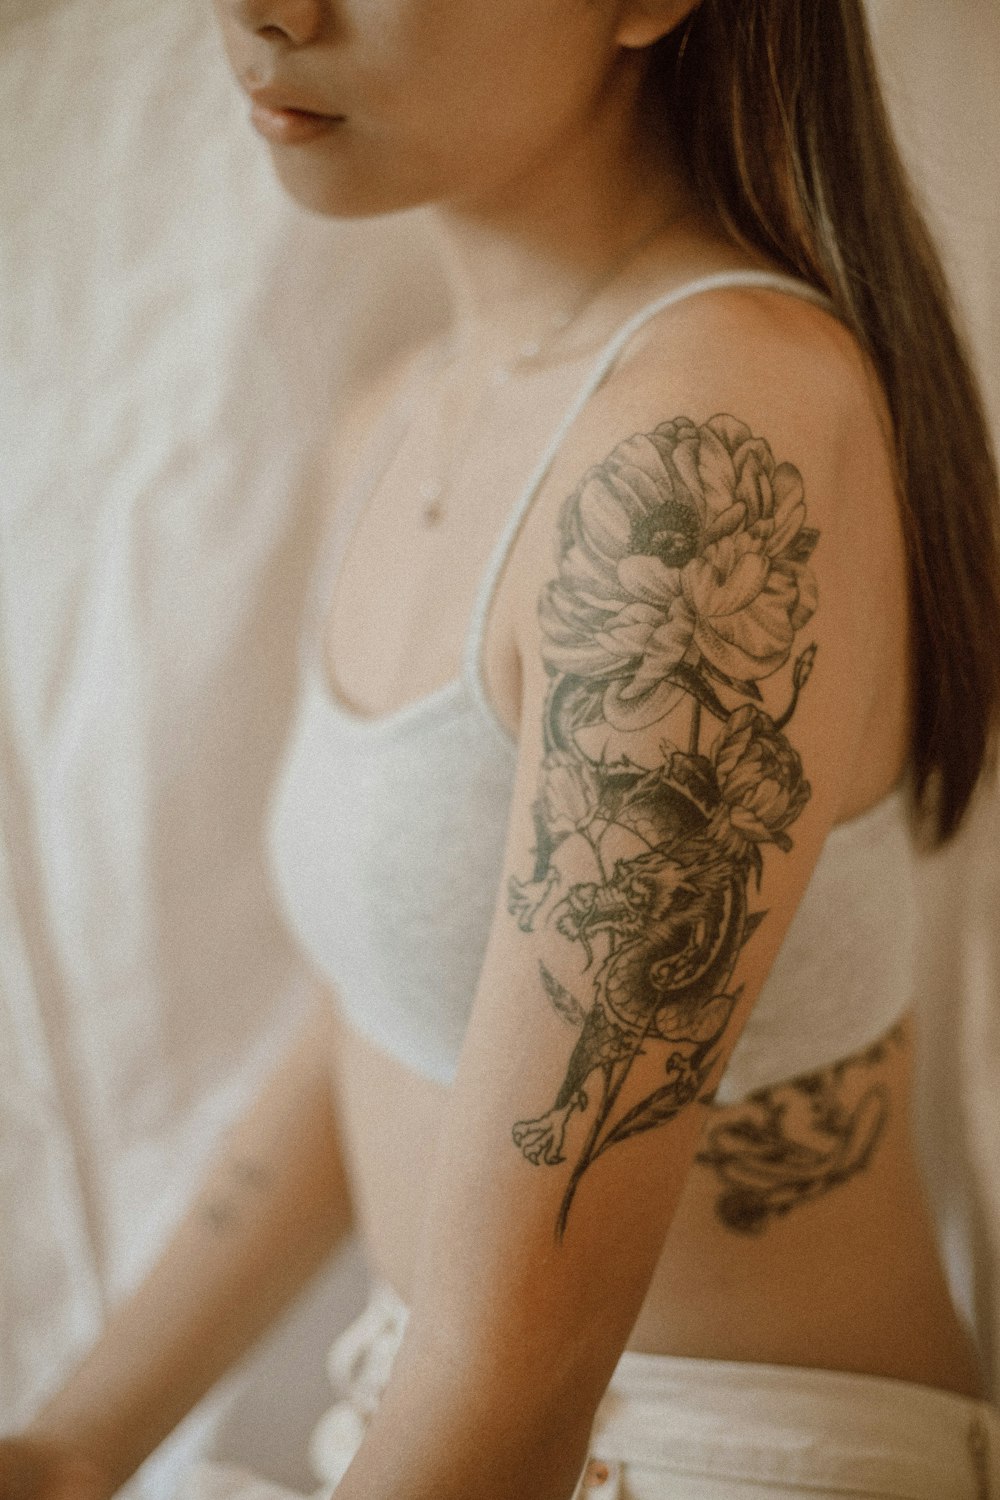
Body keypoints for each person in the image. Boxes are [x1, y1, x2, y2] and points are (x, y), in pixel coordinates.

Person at [4, 2, 1000, 1497]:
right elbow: (400, 1026)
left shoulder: (708, 442)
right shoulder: (402, 416)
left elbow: (516, 1383)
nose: (267, 11)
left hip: (723, 1455)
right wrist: (77, 1441)